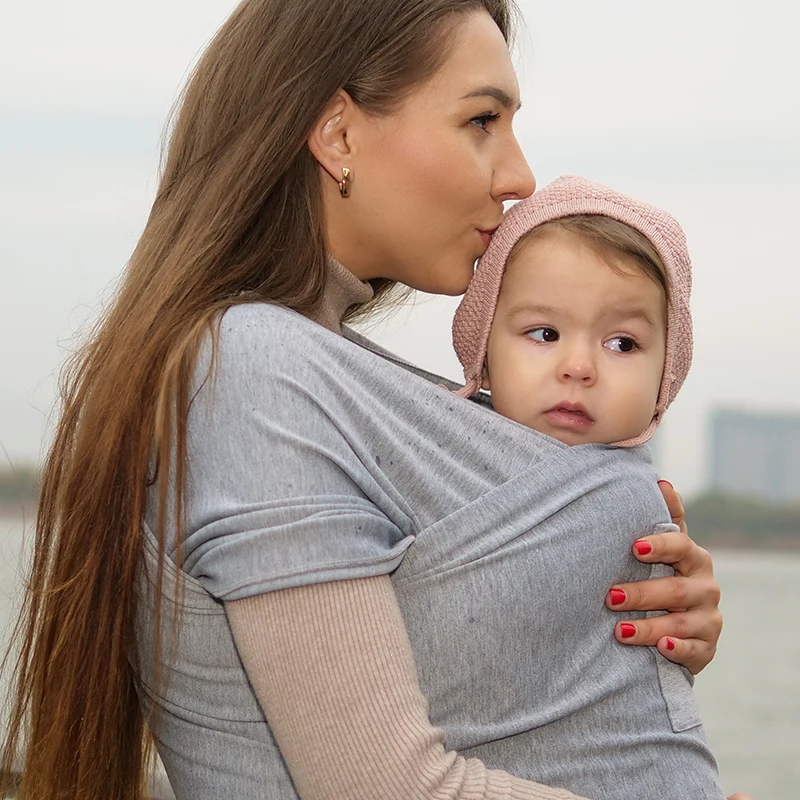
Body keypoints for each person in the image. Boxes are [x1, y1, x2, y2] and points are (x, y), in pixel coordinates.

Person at [1, 2, 748, 800]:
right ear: (339, 136)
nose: (520, 176)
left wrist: (620, 606)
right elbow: (385, 784)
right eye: (482, 119)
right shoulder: (256, 371)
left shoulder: (315, 372)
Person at [449, 174, 725, 796]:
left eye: (622, 343)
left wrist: (682, 642)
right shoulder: (440, 450)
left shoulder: (642, 505)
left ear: (667, 372)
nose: (579, 366)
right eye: (544, 333)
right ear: (484, 348)